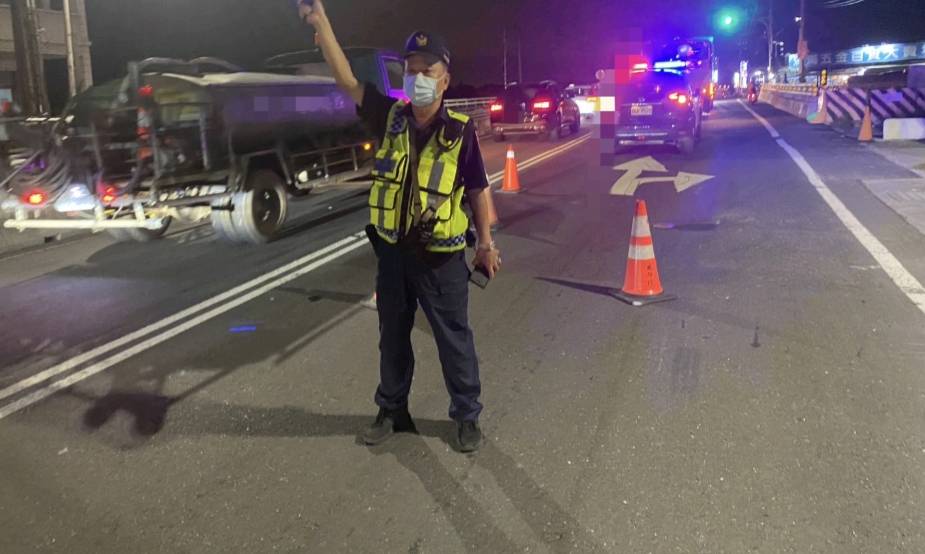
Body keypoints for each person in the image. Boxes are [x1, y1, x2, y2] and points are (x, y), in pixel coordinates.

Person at [299, 0, 501, 453]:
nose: (418, 77)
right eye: (411, 69)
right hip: (392, 256)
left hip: (441, 259)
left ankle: (466, 415)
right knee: (391, 338)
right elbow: (346, 80)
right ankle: (392, 410)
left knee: (454, 340)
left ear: (445, 79)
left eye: (428, 70)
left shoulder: (461, 132)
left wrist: (486, 244)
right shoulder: (389, 116)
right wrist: (322, 23)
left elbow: (477, 189)